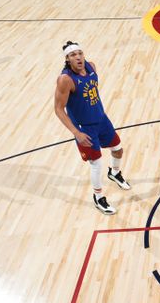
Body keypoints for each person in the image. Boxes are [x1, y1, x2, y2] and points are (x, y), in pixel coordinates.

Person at [53, 41, 131, 215]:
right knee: (96, 163)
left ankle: (114, 173)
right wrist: (76, 133)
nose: (78, 57)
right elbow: (58, 109)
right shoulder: (65, 79)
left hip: (101, 119)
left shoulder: (92, 67)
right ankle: (98, 198)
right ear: (67, 59)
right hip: (84, 128)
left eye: (80, 53)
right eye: (73, 55)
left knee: (118, 149)